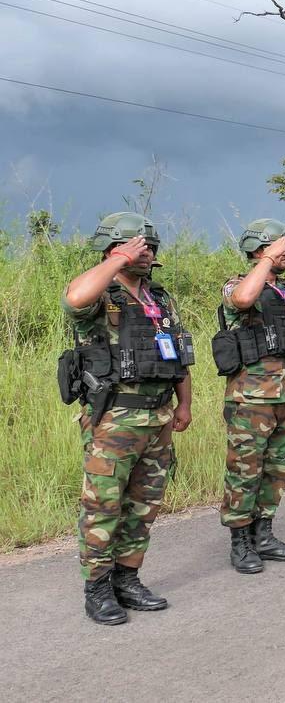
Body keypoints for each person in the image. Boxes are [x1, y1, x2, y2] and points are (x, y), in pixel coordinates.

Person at [61, 212, 194, 624]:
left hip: (158, 416)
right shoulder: (101, 293)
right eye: (137, 245)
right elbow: (74, 298)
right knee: (103, 505)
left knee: (143, 506)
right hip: (115, 418)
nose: (146, 252)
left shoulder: (160, 298)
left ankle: (127, 578)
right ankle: (97, 589)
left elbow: (179, 356)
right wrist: (118, 260)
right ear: (112, 248)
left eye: (150, 246)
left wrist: (184, 404)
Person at [216, 219, 285, 569]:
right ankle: (240, 542)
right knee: (245, 471)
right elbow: (243, 299)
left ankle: (264, 533)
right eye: (279, 247)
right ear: (258, 250)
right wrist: (267, 261)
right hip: (251, 399)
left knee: (276, 471)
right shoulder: (237, 285)